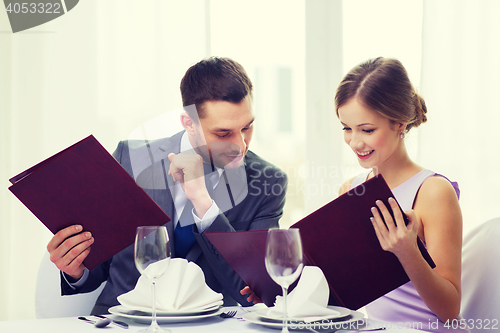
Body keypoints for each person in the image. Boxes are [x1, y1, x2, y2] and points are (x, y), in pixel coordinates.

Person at [46, 57, 288, 314]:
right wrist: (76, 270)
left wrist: (204, 204)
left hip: (210, 328)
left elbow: (253, 293)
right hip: (124, 324)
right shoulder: (131, 159)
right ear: (188, 123)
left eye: (247, 127)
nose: (240, 145)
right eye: (223, 133)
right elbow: (101, 268)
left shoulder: (267, 182)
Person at [336, 57, 468, 333]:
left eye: (367, 129)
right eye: (347, 128)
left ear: (399, 123)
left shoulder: (433, 192)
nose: (355, 142)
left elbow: (450, 309)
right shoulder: (350, 190)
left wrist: (407, 252)